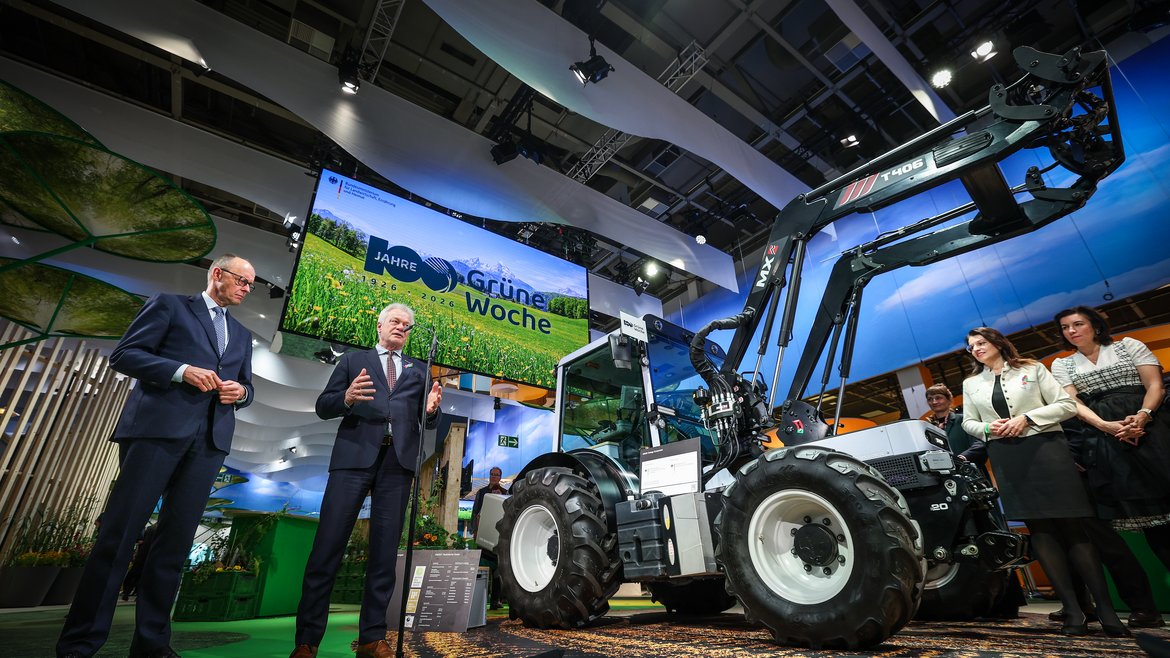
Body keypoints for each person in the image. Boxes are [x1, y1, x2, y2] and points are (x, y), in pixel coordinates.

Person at [56, 254, 256, 658]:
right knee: (119, 537)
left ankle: (152, 644)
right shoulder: (170, 305)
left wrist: (242, 393)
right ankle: (80, 643)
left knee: (174, 547)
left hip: (209, 443)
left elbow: (247, 387)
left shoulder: (242, 334)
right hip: (155, 433)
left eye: (251, 285)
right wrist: (181, 370)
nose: (247, 289)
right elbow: (124, 355)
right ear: (217, 274)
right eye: (242, 280)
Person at [291, 303, 443, 658]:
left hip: (397, 465)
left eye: (407, 325)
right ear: (379, 325)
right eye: (395, 321)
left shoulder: (420, 370)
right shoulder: (352, 361)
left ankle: (372, 639)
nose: (401, 327)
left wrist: (432, 411)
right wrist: (346, 398)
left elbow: (428, 422)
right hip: (352, 461)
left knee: (384, 555)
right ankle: (307, 641)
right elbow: (324, 405)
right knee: (327, 548)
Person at [960, 326, 1128, 637]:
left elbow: (1066, 405)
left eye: (981, 342)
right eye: (971, 346)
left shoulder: (1032, 368)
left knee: (1074, 529)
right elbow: (969, 422)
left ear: (997, 342)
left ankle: (1106, 611)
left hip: (1047, 450)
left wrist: (1028, 418)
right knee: (1040, 532)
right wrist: (987, 429)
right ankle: (1073, 610)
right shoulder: (971, 384)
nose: (976, 349)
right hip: (1007, 457)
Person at [1050, 305, 1170, 628]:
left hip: (1151, 434)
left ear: (1095, 325)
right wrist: (1105, 426)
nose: (1072, 331)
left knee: (1164, 525)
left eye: (1078, 324)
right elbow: (1072, 403)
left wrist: (1142, 417)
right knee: (1118, 532)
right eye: (1065, 327)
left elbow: (1155, 385)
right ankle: (1143, 608)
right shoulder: (1062, 365)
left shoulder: (1129, 346)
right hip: (1103, 442)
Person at [470, 466, 508, 608]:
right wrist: (475, 531)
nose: (494, 476)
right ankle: (480, 600)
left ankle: (495, 601)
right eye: (492, 474)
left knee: (498, 571)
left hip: (498, 538)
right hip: (483, 536)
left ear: (500, 477)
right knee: (482, 569)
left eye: (496, 474)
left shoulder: (505, 493)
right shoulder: (481, 492)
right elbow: (475, 513)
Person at [925, 384, 987, 466]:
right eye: (930, 399)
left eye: (938, 398)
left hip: (968, 469)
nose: (934, 402)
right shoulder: (928, 428)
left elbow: (981, 442)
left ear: (949, 399)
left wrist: (962, 458)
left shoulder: (964, 420)